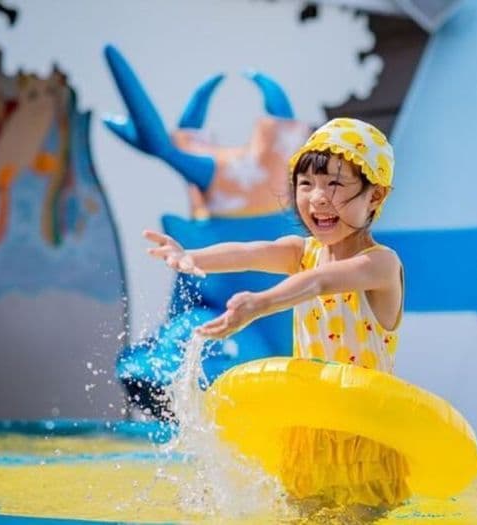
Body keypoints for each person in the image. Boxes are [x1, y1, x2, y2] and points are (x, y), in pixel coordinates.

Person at [144, 117, 408, 509]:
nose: (317, 197)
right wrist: (192, 257)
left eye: (335, 184)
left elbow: (318, 283)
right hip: (308, 433)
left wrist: (259, 304)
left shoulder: (380, 265)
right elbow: (249, 253)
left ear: (375, 195)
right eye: (306, 183)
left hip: (364, 436)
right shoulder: (302, 252)